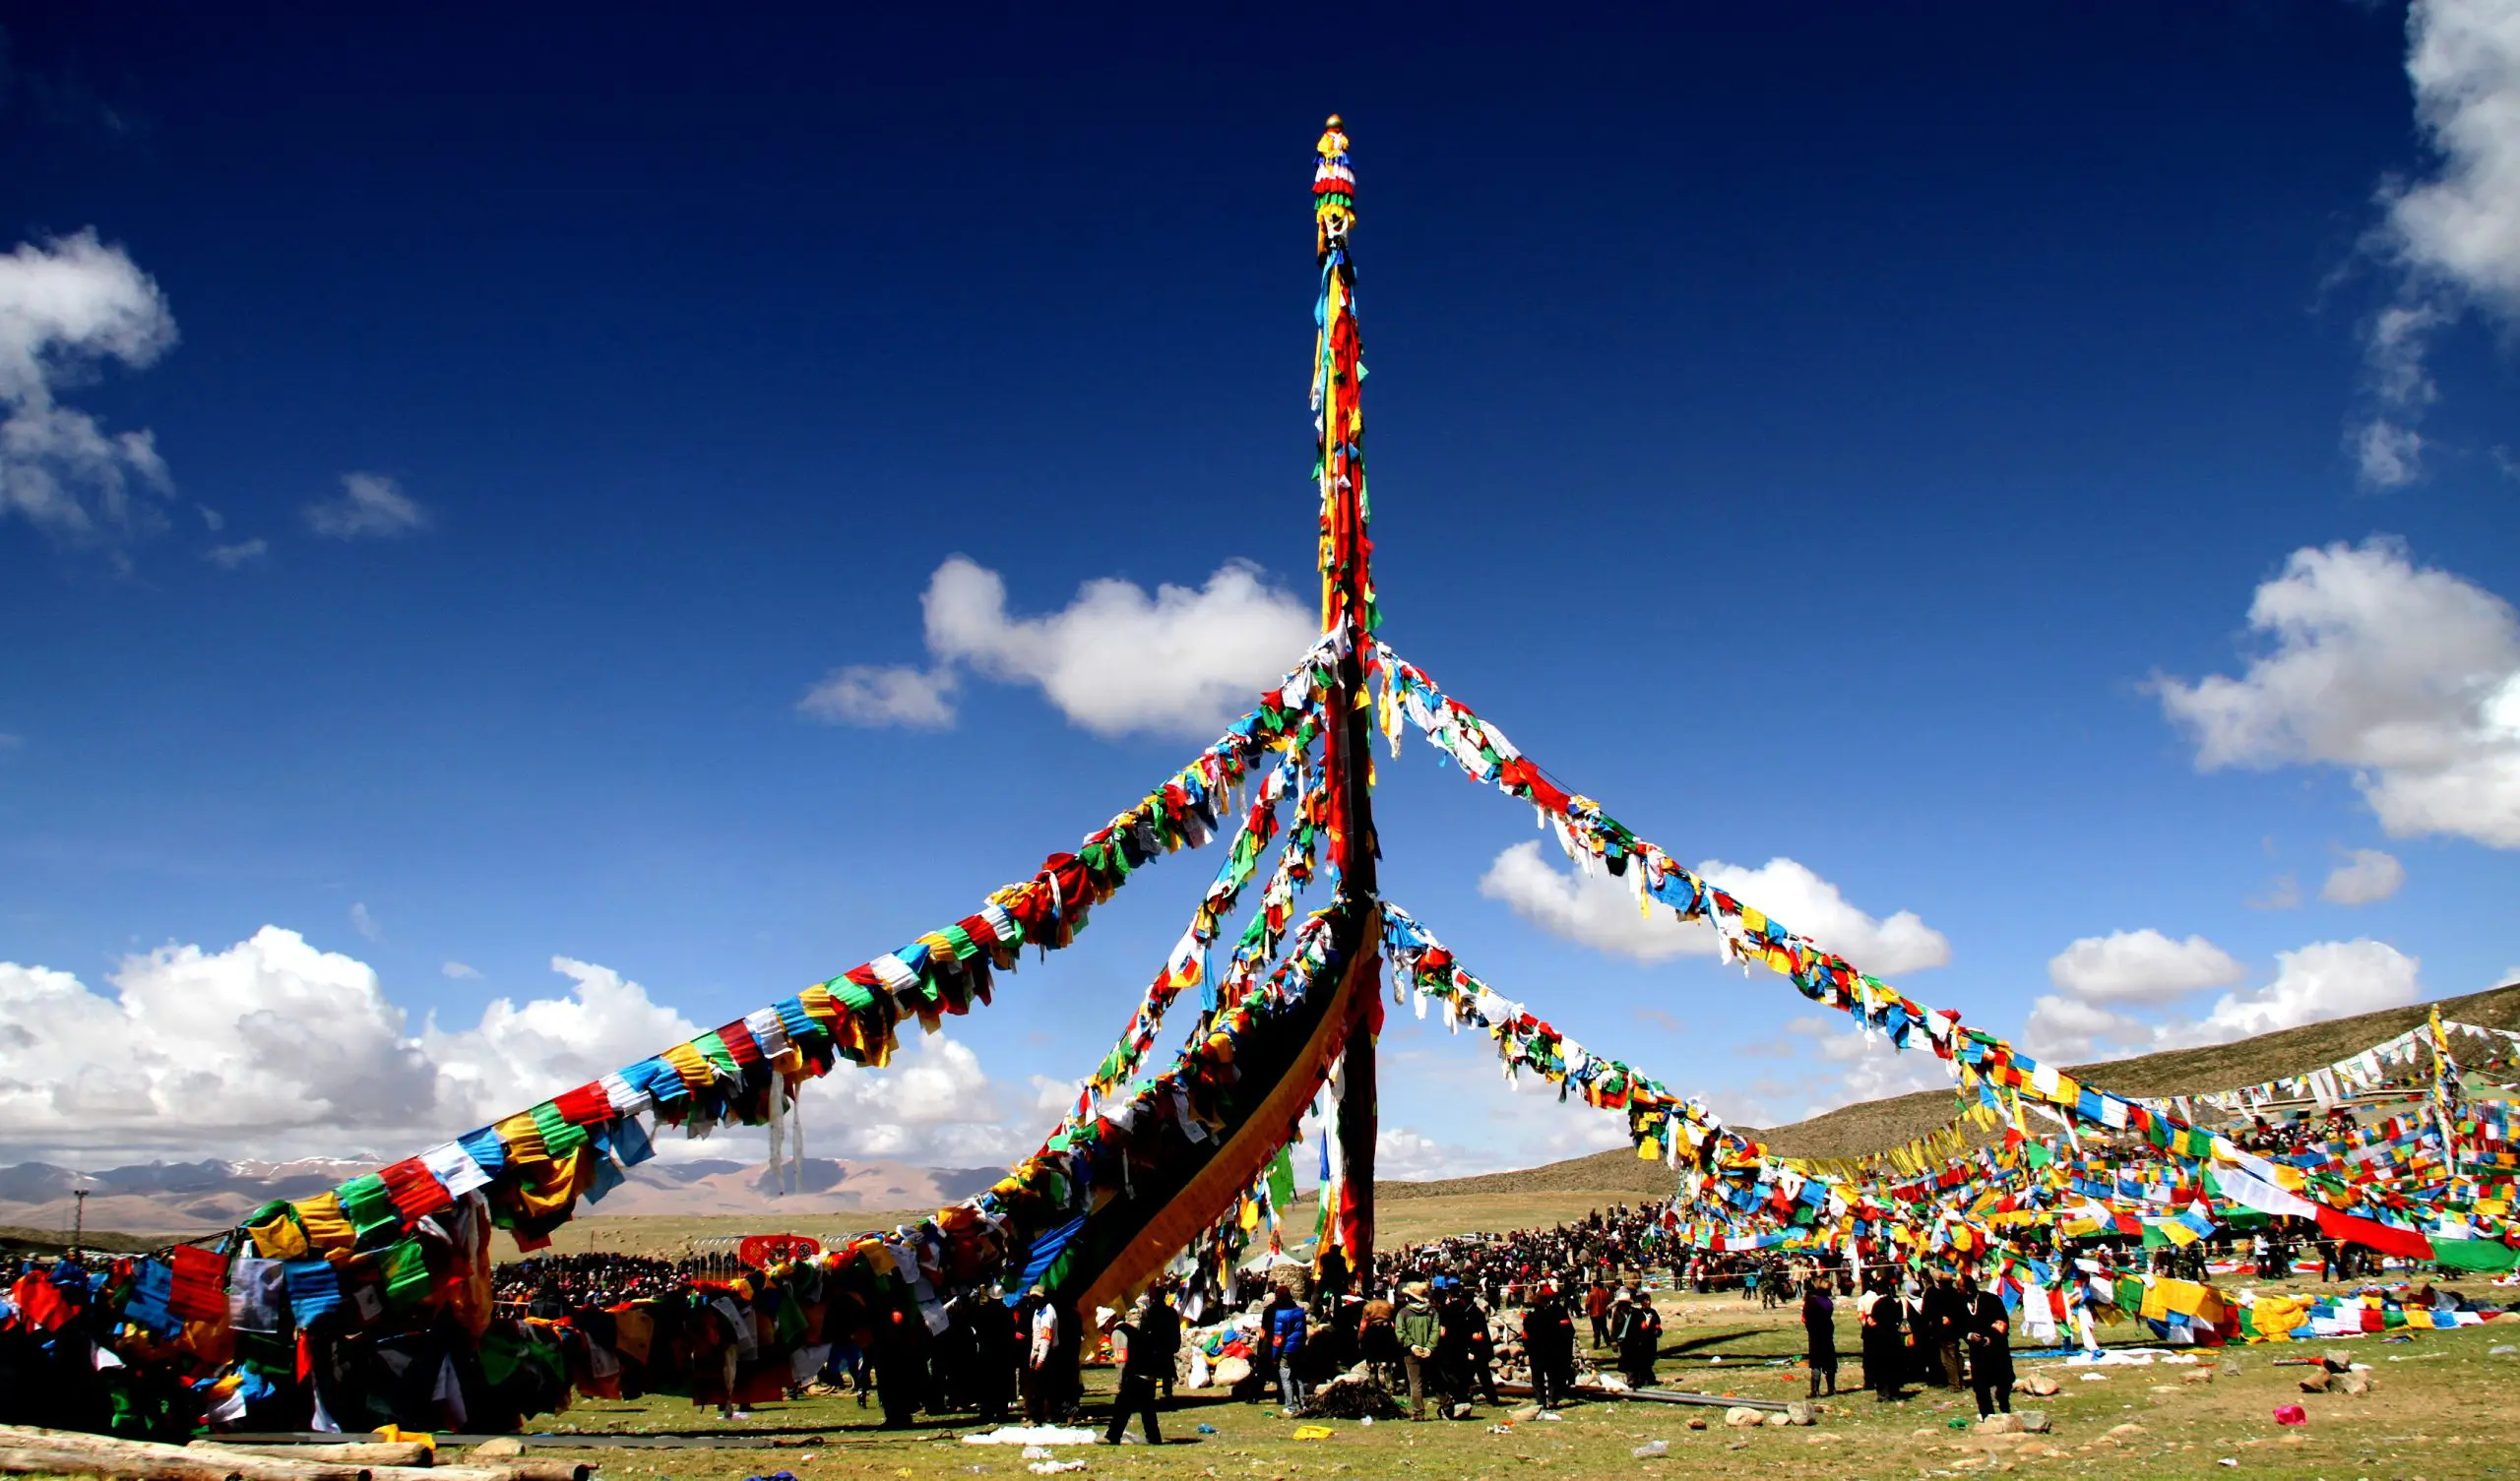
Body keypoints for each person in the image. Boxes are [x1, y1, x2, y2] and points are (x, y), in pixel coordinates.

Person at [1099, 1307, 1166, 1447]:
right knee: (1147, 1409)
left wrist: (1121, 1382)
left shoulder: (1118, 1333)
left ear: (1110, 1321)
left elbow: (1121, 1360)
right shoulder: (1131, 1329)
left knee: (1122, 1407)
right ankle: (1154, 1437)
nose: (1104, 1330)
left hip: (1135, 1374)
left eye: (1103, 1326)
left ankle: (1112, 1436)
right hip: (1148, 1373)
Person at [1522, 1281, 1576, 1410]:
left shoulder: (1529, 1319)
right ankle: (1553, 1399)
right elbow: (1560, 1334)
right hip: (1551, 1351)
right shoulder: (1553, 1317)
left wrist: (1529, 1350)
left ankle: (1541, 1402)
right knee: (1553, 1377)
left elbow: (1525, 1337)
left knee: (1537, 1379)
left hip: (1535, 1353)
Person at [1443, 1285, 1501, 1407]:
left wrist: (1472, 1350)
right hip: (1477, 1350)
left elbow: (1476, 1335)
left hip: (1477, 1350)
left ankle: (1482, 1398)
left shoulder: (1473, 1314)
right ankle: (1483, 1398)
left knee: (1480, 1376)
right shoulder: (1471, 1312)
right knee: (1476, 1376)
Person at [1963, 1280, 2013, 1420]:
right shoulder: (1960, 1303)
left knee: (2003, 1381)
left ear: (1968, 1290)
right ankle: (1987, 1414)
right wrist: (1968, 1335)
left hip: (1997, 1349)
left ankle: (2004, 1407)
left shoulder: (1991, 1300)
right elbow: (1959, 1325)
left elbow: (2002, 1322)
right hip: (1977, 1352)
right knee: (1980, 1384)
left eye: (1960, 1288)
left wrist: (1990, 1337)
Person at [1396, 1282, 1439, 1420]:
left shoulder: (1403, 1313)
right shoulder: (1432, 1312)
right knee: (1436, 1381)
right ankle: (1447, 1405)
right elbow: (1435, 1331)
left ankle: (1418, 1413)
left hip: (1411, 1352)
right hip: (1429, 1352)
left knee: (1415, 1383)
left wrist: (1412, 1346)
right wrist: (1429, 1347)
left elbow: (1400, 1332)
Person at [1858, 1277, 1905, 1403]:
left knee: (1880, 1367)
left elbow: (1872, 1322)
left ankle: (1883, 1393)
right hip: (1893, 1337)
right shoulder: (1895, 1302)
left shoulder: (1878, 1304)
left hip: (1880, 1338)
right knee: (1893, 1366)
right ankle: (1895, 1392)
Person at [1018, 1287, 1058, 1424]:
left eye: (1036, 1297)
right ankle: (1042, 1414)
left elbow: (1046, 1338)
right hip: (1037, 1350)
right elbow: (1036, 1335)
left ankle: (1037, 1416)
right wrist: (1032, 1354)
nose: (1033, 1300)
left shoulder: (1047, 1314)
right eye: (1032, 1297)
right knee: (1039, 1386)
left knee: (1037, 1387)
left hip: (1046, 1352)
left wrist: (1041, 1358)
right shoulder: (1037, 1312)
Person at [1922, 1272, 1968, 1390]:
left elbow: (1927, 1312)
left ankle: (1955, 1384)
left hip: (1942, 1330)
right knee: (1955, 1354)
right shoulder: (1956, 1294)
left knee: (1948, 1358)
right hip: (1955, 1329)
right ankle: (1960, 1381)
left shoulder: (1933, 1293)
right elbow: (1962, 1312)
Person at [1139, 1284, 1182, 1403]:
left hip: (1153, 1346)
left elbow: (1143, 1329)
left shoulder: (1149, 1312)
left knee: (1152, 1372)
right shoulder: (1171, 1312)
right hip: (1166, 1346)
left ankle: (1150, 1394)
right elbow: (1176, 1330)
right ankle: (1167, 1394)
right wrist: (1176, 1344)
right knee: (1167, 1372)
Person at [1267, 1288, 1308, 1414]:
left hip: (1286, 1350)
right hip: (1299, 1348)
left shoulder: (1280, 1314)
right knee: (1298, 1377)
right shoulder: (1299, 1311)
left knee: (1286, 1378)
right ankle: (1303, 1404)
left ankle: (1291, 1407)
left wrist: (1274, 1356)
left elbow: (1278, 1338)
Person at [1612, 1289, 1661, 1389]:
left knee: (1635, 1361)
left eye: (1626, 1304)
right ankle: (1631, 1380)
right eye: (1622, 1304)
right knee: (1627, 1361)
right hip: (1623, 1342)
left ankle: (1635, 1380)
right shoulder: (1617, 1313)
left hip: (1634, 1341)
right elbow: (1615, 1328)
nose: (1624, 1306)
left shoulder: (1636, 1313)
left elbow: (1643, 1326)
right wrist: (1614, 1341)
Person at [1801, 1281, 1838, 1398]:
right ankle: (1831, 1388)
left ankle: (1815, 1391)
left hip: (1815, 1334)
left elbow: (1806, 1318)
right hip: (1827, 1332)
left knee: (1816, 1363)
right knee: (1830, 1363)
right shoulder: (1828, 1302)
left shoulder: (1811, 1301)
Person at [1585, 1279, 1613, 1350]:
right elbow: (1609, 1304)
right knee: (1604, 1329)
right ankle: (1608, 1342)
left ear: (1593, 1285)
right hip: (1603, 1313)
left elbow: (1588, 1303)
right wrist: (1609, 1313)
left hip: (1594, 1314)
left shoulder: (1591, 1293)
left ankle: (1596, 1345)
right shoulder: (1604, 1292)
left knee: (1596, 1330)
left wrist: (1586, 1309)